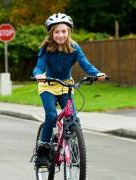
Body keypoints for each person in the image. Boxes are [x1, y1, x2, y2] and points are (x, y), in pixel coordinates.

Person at [32, 13, 106, 166]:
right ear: (51, 33)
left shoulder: (74, 47)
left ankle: (73, 150)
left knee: (73, 119)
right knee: (51, 115)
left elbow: (85, 64)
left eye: (64, 31)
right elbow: (39, 66)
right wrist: (38, 74)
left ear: (69, 32)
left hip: (66, 86)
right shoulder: (46, 48)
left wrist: (96, 73)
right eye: (57, 31)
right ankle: (43, 153)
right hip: (48, 85)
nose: (60, 35)